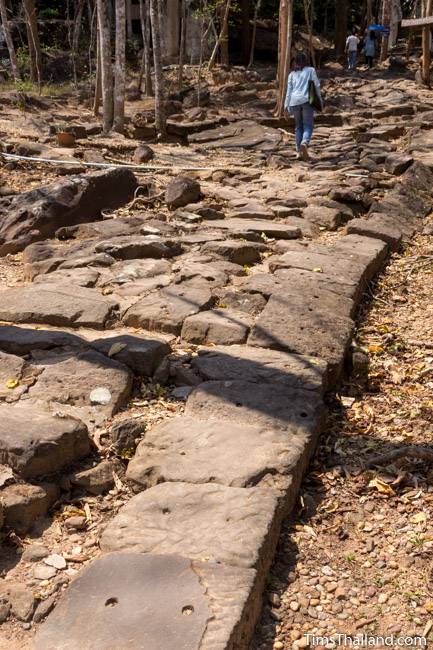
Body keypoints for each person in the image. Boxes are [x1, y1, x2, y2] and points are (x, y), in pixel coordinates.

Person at [284, 52, 322, 162]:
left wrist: (286, 106)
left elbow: (289, 91)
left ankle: (298, 152)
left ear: (295, 62)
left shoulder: (291, 75)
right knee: (308, 125)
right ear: (306, 61)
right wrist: (319, 100)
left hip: (294, 101)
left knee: (298, 126)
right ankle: (304, 142)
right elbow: (316, 85)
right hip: (307, 101)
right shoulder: (310, 70)